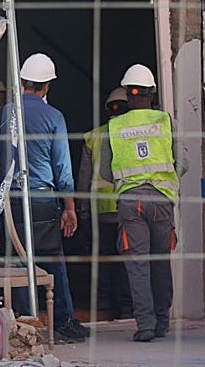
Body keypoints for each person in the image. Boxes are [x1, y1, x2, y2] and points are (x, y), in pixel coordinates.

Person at [0, 52, 91, 342]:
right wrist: (70, 208)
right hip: (41, 202)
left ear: (22, 82)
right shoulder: (54, 117)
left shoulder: (1, 114)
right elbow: (63, 169)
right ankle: (63, 320)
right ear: (47, 86)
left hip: (9, 203)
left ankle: (23, 326)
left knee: (14, 261)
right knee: (52, 260)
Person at [100, 63, 188, 343]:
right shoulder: (167, 122)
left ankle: (146, 326)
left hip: (131, 203)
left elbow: (104, 171)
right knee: (160, 261)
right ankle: (163, 322)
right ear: (152, 93)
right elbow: (182, 163)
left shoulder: (114, 126)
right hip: (162, 200)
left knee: (138, 264)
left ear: (127, 94)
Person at [78, 86, 133, 319]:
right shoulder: (136, 133)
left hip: (100, 212)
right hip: (129, 209)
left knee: (102, 262)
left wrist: (81, 212)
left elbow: (83, 176)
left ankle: (101, 306)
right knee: (127, 263)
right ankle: (127, 309)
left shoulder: (94, 136)